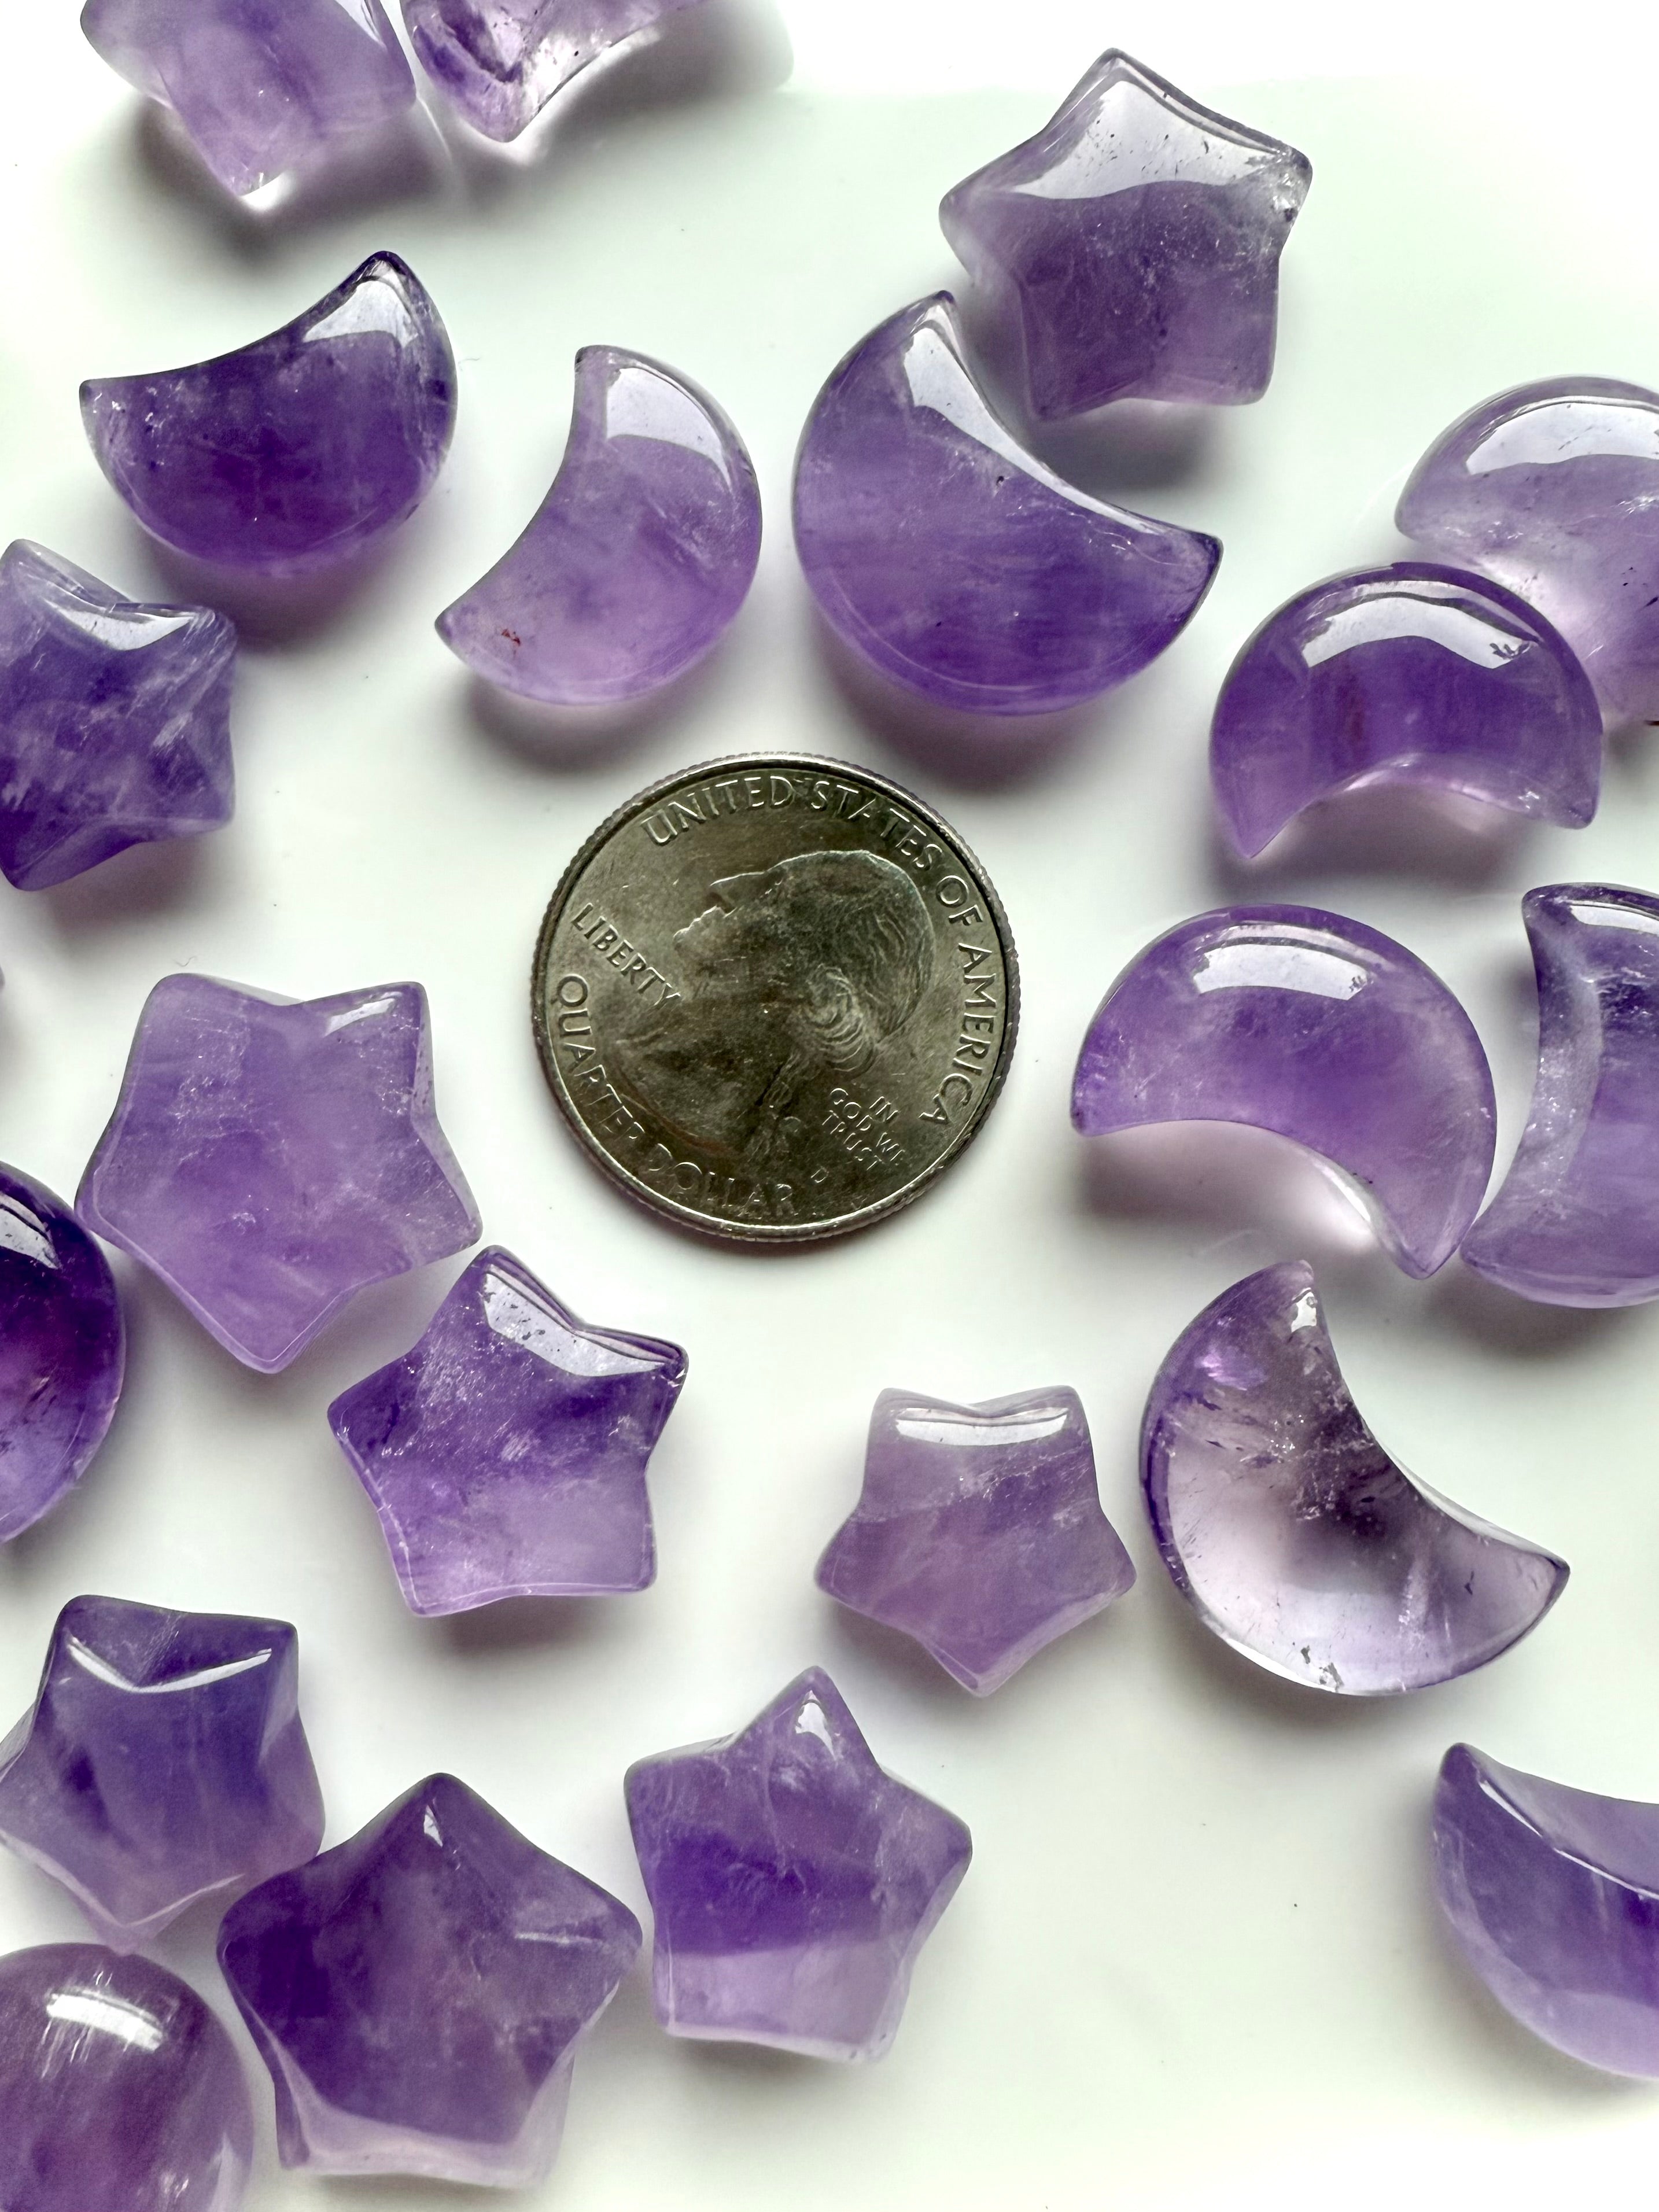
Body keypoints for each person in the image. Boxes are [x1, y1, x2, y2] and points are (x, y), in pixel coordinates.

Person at [617, 848, 935, 1165]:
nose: (724, 888)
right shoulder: (648, 1048)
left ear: (807, 983)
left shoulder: (674, 1092)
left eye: (772, 891)